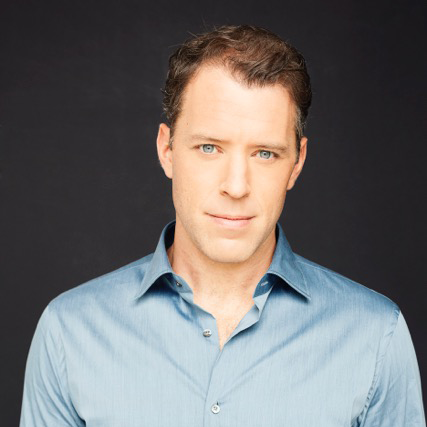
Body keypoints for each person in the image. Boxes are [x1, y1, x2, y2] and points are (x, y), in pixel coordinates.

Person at [20, 25, 425, 427]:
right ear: (167, 150)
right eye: (209, 147)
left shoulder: (375, 336)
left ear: (297, 163)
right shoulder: (69, 332)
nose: (236, 186)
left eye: (264, 153)